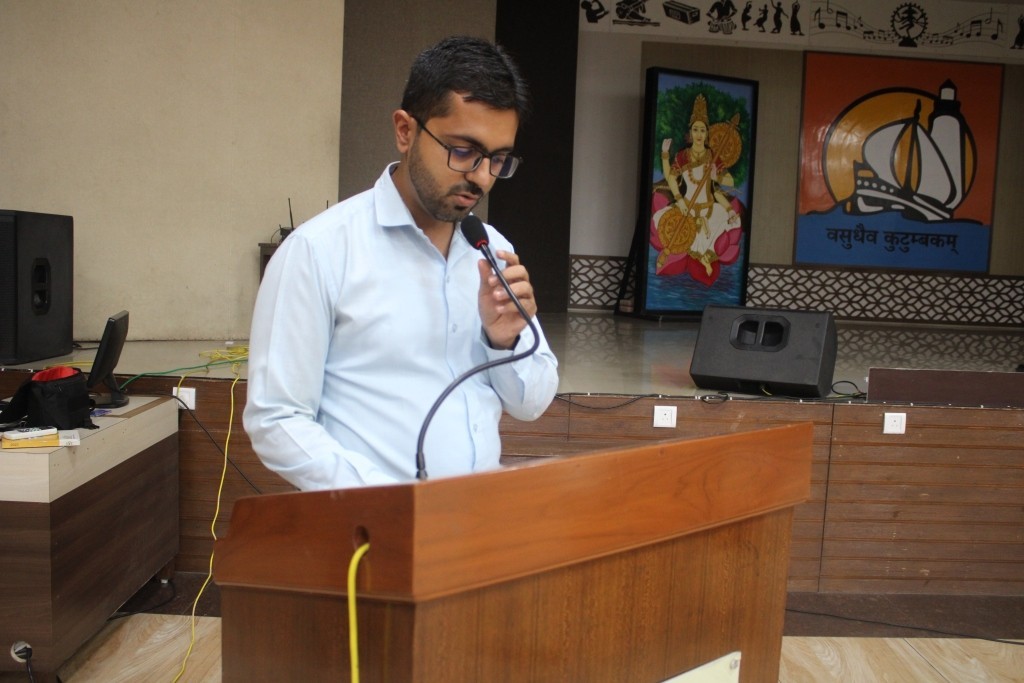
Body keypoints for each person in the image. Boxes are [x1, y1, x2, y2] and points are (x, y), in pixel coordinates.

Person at [244, 36, 559, 491]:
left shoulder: (491, 250)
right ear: (405, 131)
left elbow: (531, 404)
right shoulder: (319, 251)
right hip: (373, 525)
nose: (481, 176)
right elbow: (277, 419)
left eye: (498, 159)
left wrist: (504, 342)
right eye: (463, 151)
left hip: (480, 518)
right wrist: (390, 503)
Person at [650, 94, 743, 283]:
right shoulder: (683, 155)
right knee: (660, 219)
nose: (699, 134)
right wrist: (665, 155)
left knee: (733, 222)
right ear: (690, 132)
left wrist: (726, 203)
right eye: (695, 129)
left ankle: (704, 258)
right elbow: (671, 178)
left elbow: (725, 185)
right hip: (686, 208)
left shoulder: (712, 156)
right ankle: (691, 257)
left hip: (709, 211)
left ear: (707, 133)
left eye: (702, 130)